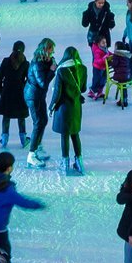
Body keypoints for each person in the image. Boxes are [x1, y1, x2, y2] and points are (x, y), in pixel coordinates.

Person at [52, 45, 88, 175]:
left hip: (63, 107)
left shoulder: (61, 71)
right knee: (75, 133)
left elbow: (57, 92)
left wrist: (51, 106)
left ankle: (65, 163)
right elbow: (83, 89)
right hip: (76, 106)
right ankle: (79, 162)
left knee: (65, 135)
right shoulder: (83, 68)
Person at [0, 42, 30, 150]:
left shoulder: (6, 61)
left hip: (7, 92)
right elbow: (28, 80)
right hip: (20, 92)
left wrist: (1, 90)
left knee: (6, 116)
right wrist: (24, 88)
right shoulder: (25, 63)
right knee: (21, 117)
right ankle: (23, 139)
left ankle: (4, 140)